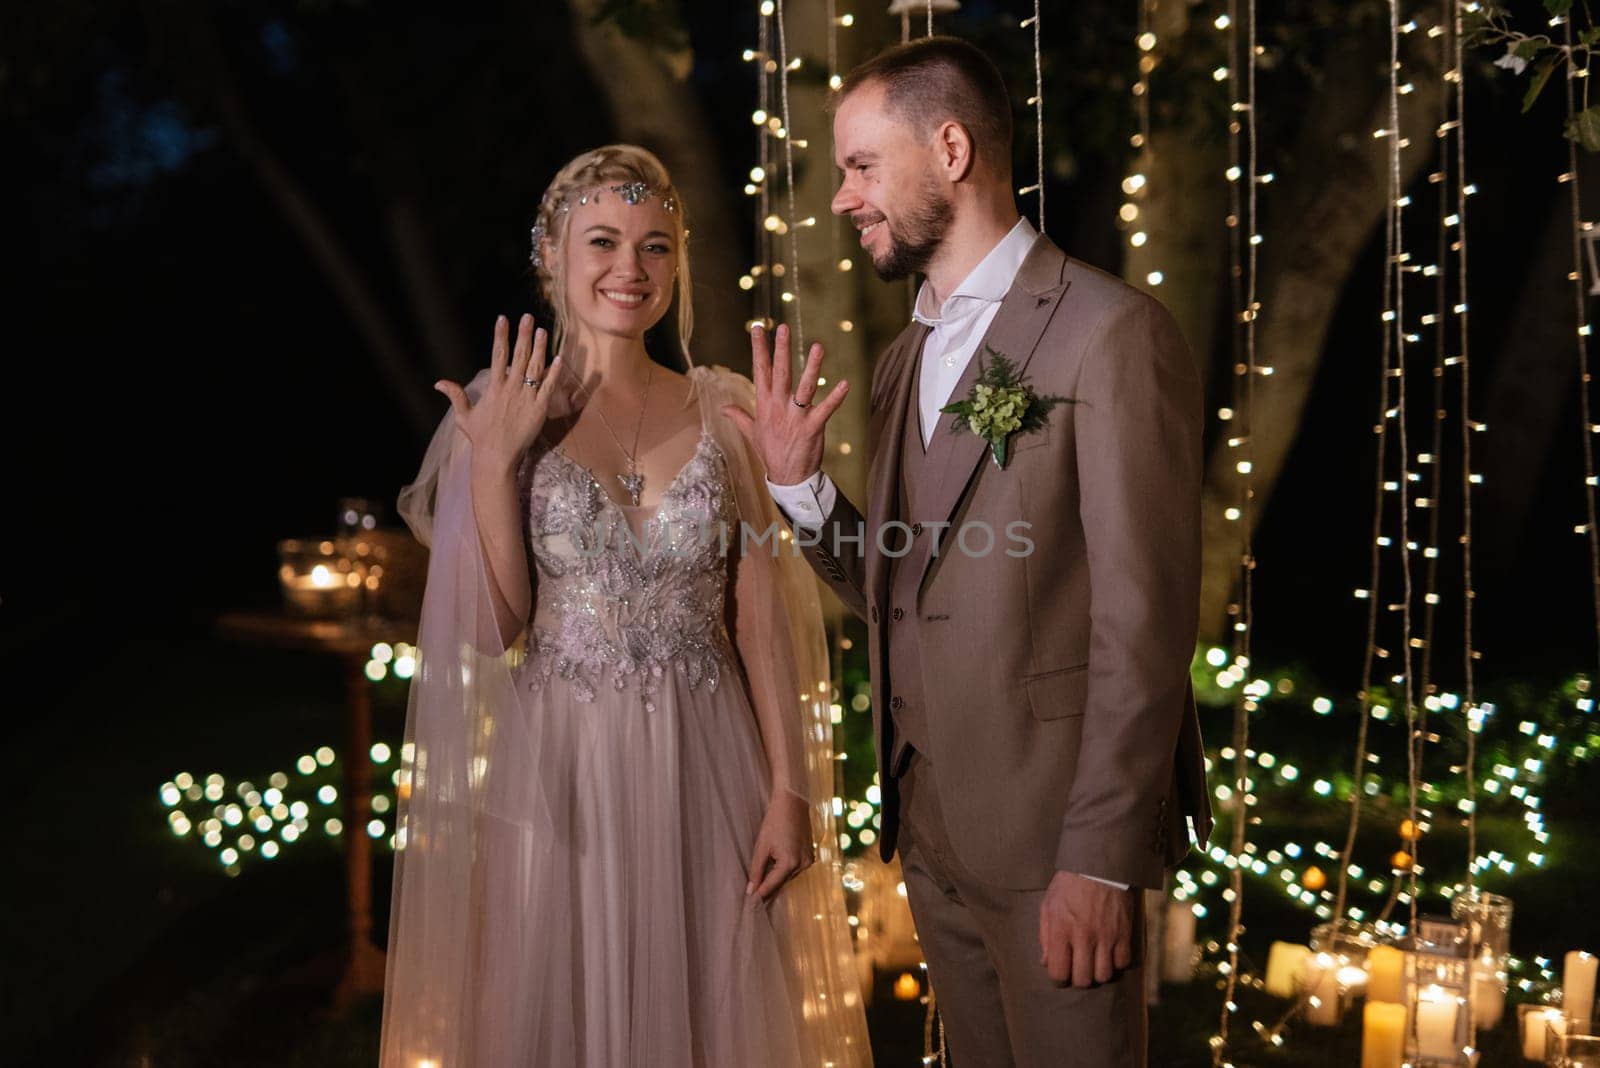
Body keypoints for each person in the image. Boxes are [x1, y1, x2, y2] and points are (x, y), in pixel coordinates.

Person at [725, 38, 1213, 1067]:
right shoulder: (907, 357)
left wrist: (1100, 862)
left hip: (1053, 842)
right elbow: (900, 584)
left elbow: (1144, 624)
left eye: (861, 166)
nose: (843, 199)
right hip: (936, 829)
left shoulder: (1108, 333)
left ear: (950, 147)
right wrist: (797, 486)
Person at [378, 144, 871, 1068]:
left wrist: (791, 791)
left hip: (711, 758)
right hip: (565, 768)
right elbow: (495, 630)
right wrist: (492, 465)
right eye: (603, 241)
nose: (630, 269)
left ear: (678, 262)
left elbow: (759, 618)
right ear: (554, 256)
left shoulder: (726, 409)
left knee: (716, 1008)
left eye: (655, 246)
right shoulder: (506, 412)